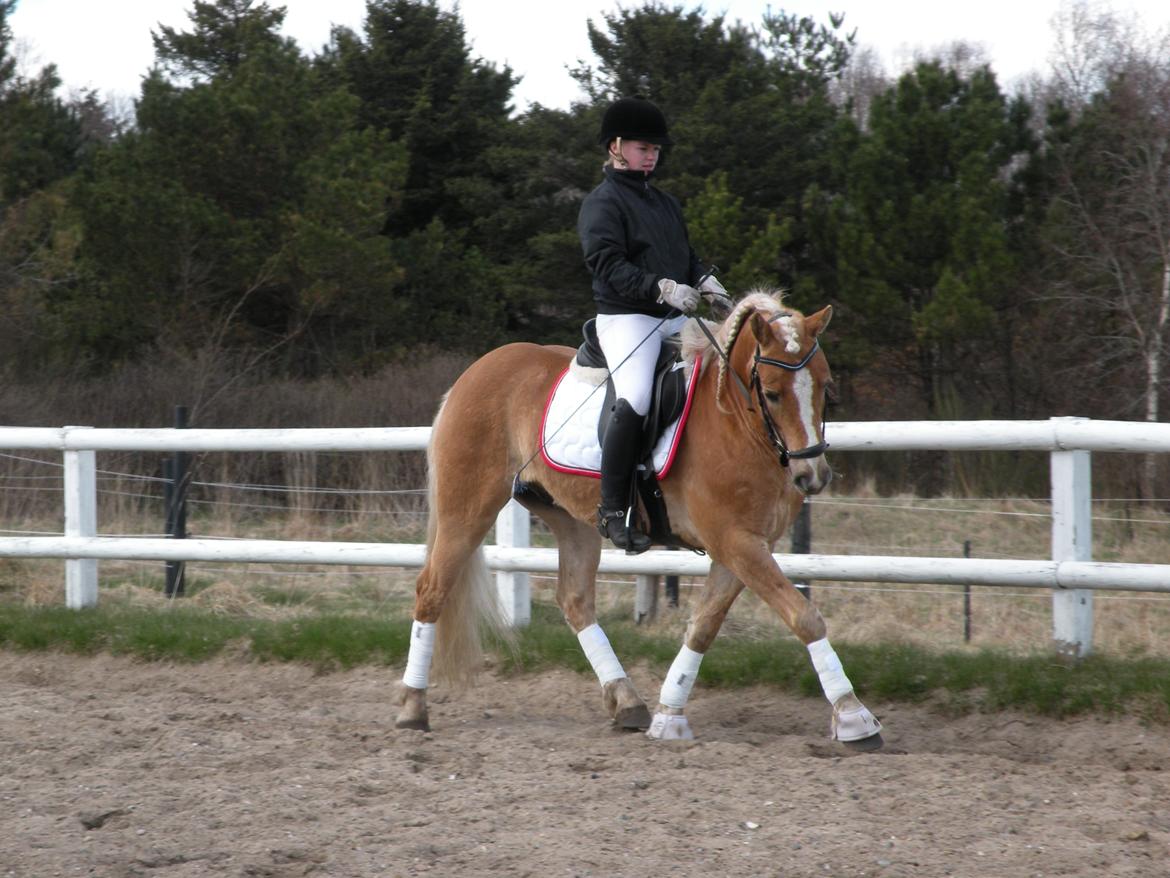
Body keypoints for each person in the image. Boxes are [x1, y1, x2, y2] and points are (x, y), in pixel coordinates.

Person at [577, 96, 727, 553]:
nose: (652, 154)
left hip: (674, 317)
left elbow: (685, 255)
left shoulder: (664, 203)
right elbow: (605, 263)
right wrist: (659, 288)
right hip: (626, 317)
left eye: (656, 149)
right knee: (637, 397)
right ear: (616, 146)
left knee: (721, 372)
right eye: (644, 147)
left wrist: (705, 279)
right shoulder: (601, 204)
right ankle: (612, 508)